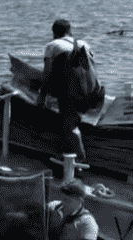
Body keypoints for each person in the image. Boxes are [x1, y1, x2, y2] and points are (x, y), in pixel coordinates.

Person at [36, 19, 94, 161]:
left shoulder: (53, 46)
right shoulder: (84, 44)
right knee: (70, 121)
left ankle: (80, 162)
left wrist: (42, 95)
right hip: (92, 90)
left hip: (71, 92)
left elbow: (47, 73)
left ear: (54, 33)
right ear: (70, 31)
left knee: (70, 127)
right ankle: (66, 155)